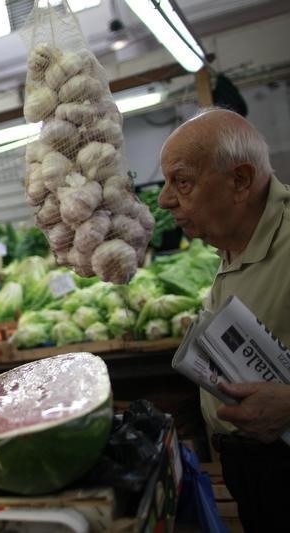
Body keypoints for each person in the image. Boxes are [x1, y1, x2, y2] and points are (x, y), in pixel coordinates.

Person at [158, 107, 290, 531]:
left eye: (181, 182)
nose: (164, 199)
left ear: (240, 181)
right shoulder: (233, 241)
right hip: (258, 474)